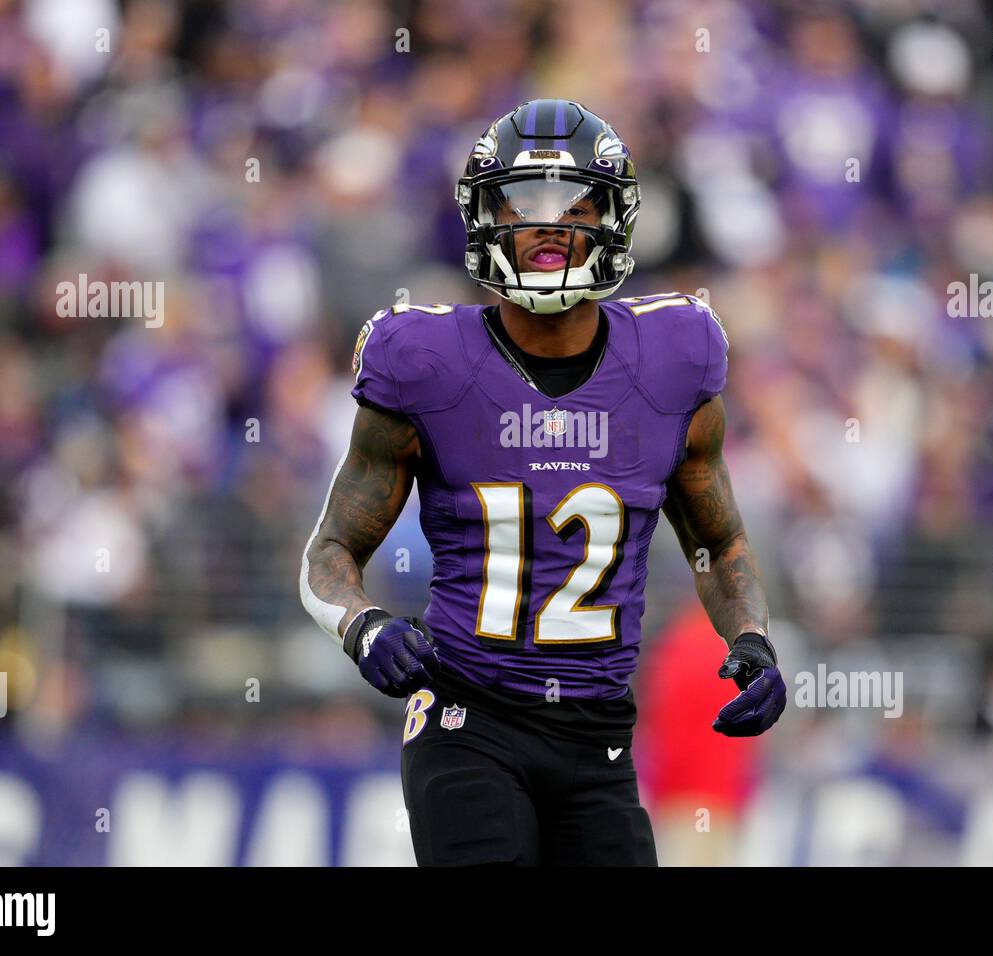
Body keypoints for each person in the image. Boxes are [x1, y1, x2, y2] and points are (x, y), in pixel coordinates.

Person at [301, 99, 786, 866]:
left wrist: (752, 637)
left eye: (577, 204)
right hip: (470, 721)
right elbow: (330, 551)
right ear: (488, 215)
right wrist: (365, 626)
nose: (552, 225)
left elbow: (719, 542)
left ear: (615, 216)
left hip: (599, 740)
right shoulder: (425, 360)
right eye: (526, 202)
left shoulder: (675, 356)